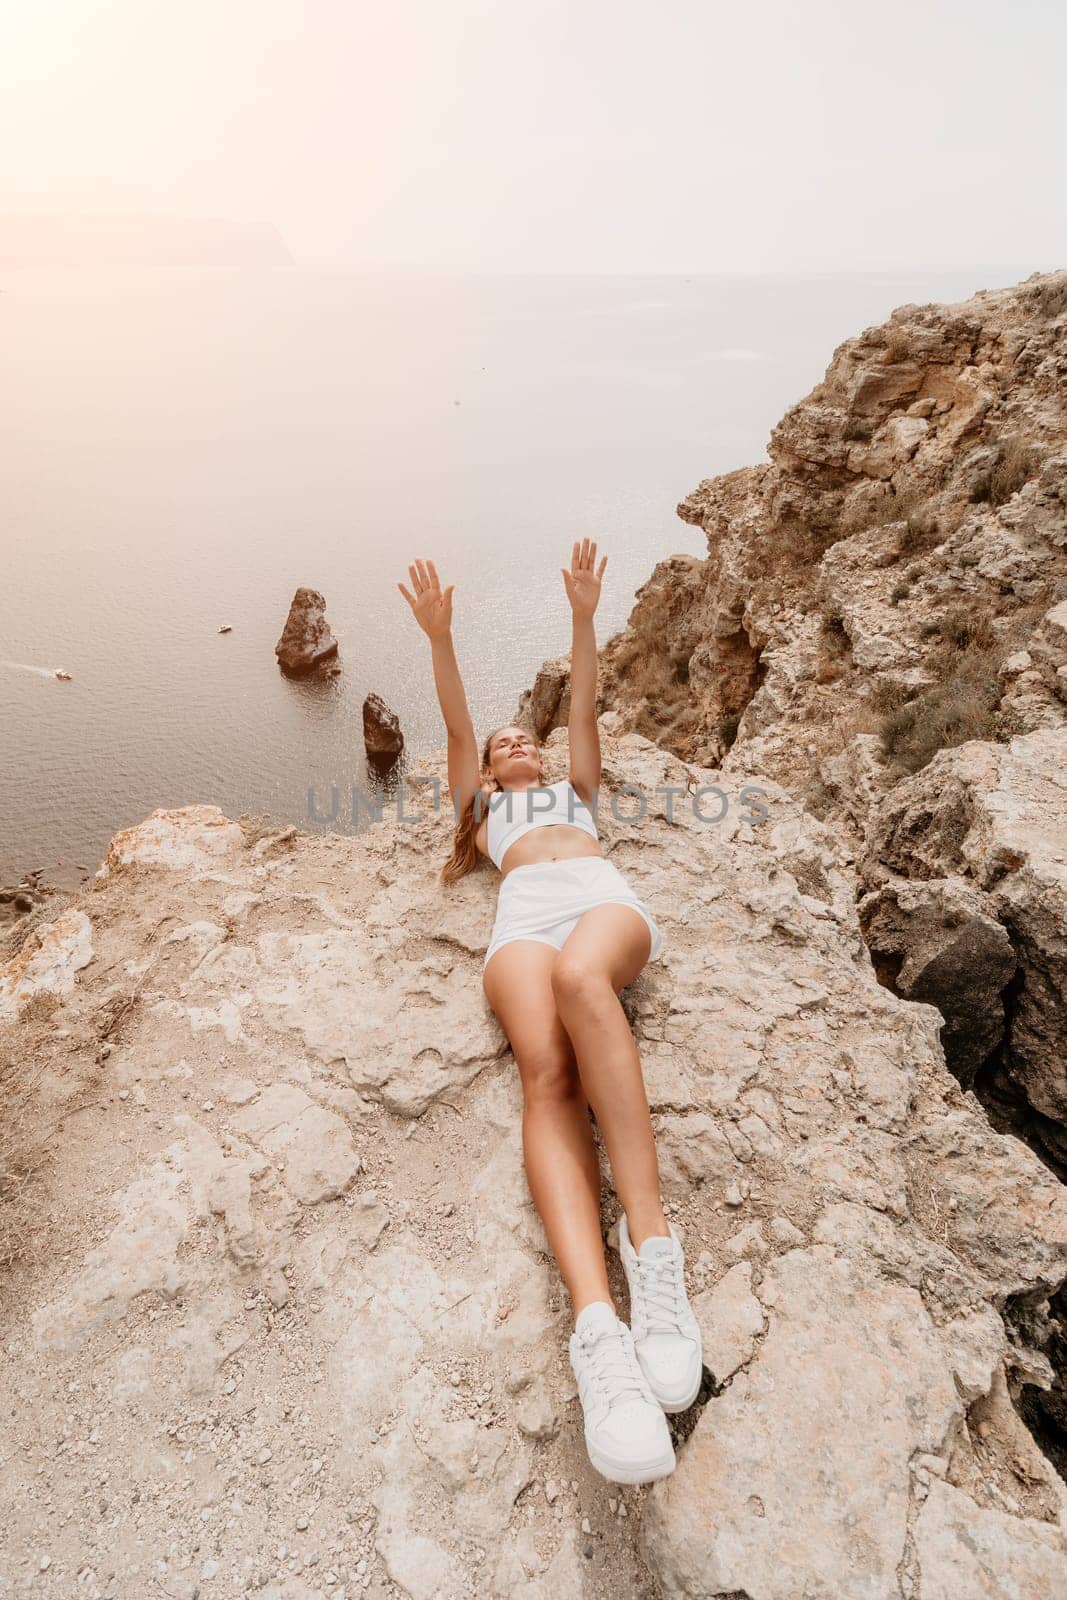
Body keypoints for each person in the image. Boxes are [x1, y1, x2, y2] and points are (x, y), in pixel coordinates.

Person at [397, 542, 702, 1485]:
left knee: (583, 983)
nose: (516, 745)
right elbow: (453, 725)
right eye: (501, 748)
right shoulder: (483, 810)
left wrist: (582, 616)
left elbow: (580, 706)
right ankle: (598, 1331)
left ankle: (650, 1247)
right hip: (522, 921)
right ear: (486, 774)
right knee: (548, 1075)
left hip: (602, 907)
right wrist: (440, 640)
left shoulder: (579, 790)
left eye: (522, 739)